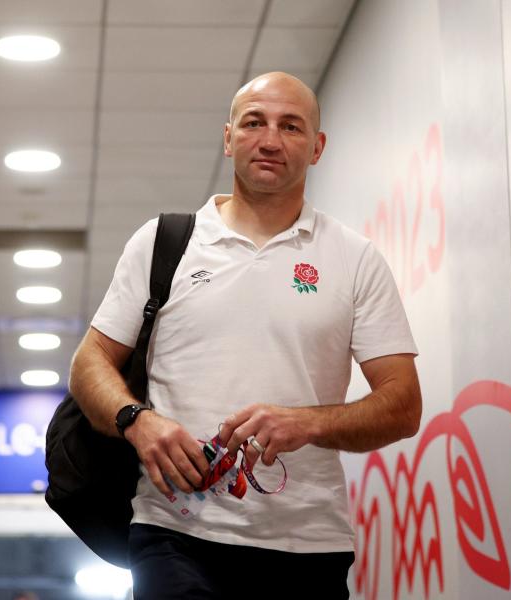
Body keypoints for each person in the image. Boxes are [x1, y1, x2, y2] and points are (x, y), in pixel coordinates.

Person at [69, 72, 421, 599]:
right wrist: (137, 422)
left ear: (317, 147)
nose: (271, 140)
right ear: (229, 137)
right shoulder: (164, 242)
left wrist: (308, 422)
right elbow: (89, 362)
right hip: (174, 532)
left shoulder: (354, 259)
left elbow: (402, 404)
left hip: (308, 546)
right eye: (255, 122)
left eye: (291, 126)